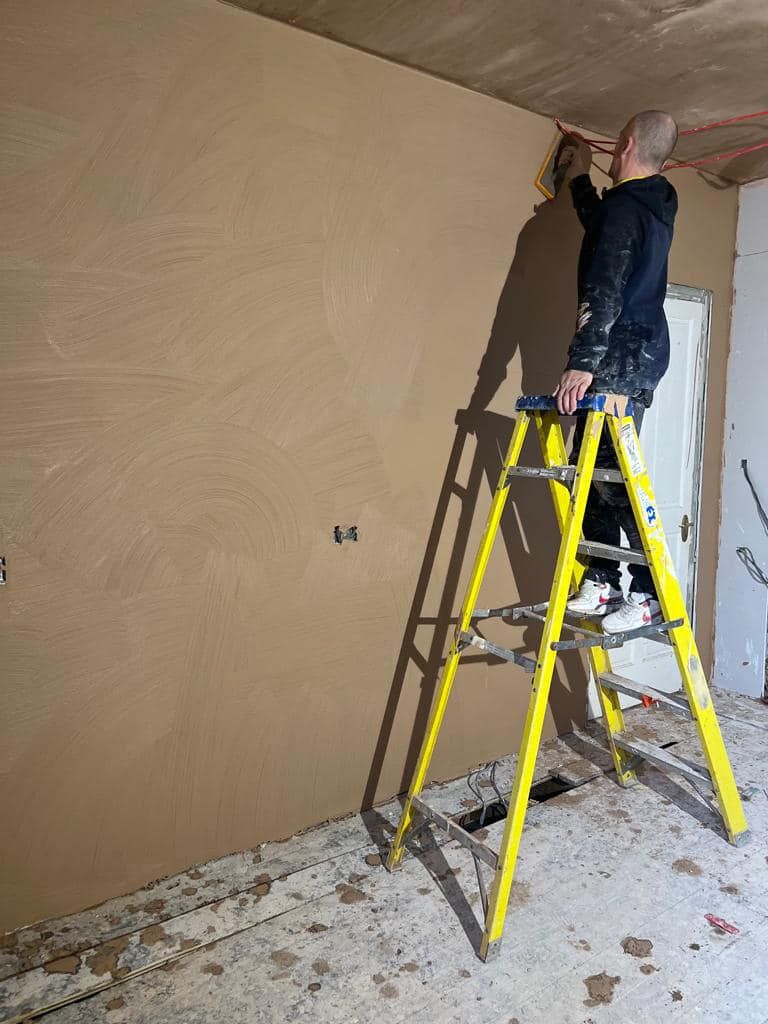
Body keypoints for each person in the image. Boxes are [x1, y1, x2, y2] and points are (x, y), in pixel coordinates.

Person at [555, 111, 679, 634]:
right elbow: (604, 232)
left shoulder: (627, 211)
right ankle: (603, 578)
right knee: (596, 473)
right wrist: (580, 179)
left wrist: (583, 362)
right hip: (637, 350)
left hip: (621, 356)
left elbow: (603, 285)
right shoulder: (645, 205)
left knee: (612, 475)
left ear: (625, 144)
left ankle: (647, 593)